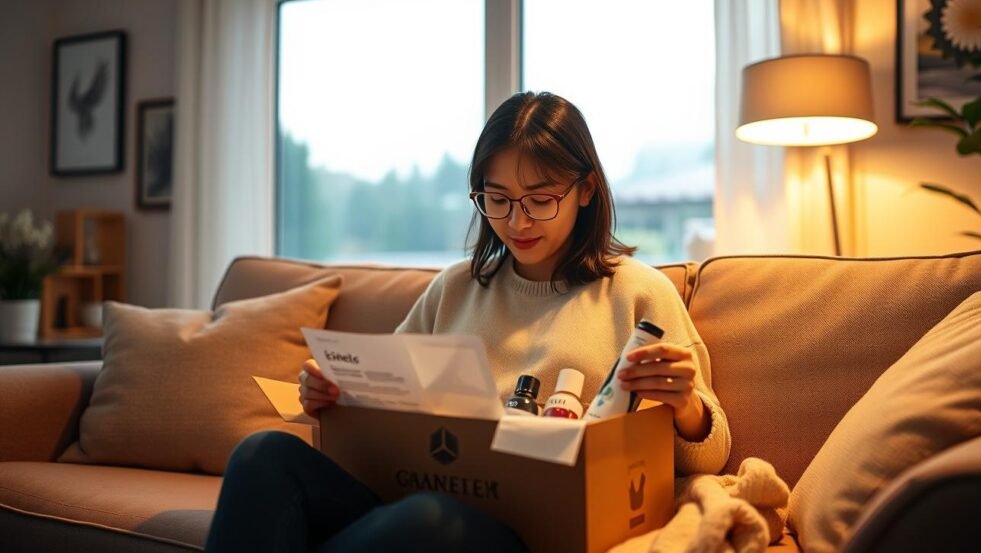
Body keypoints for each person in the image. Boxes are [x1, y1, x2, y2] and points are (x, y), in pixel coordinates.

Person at [205, 91, 731, 552]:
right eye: (497, 200)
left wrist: (686, 405)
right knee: (263, 454)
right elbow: (387, 401)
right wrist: (334, 395)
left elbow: (713, 453)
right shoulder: (454, 288)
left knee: (426, 521)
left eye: (540, 200)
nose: (517, 221)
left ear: (587, 190)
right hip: (416, 497)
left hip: (531, 528)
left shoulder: (638, 293)